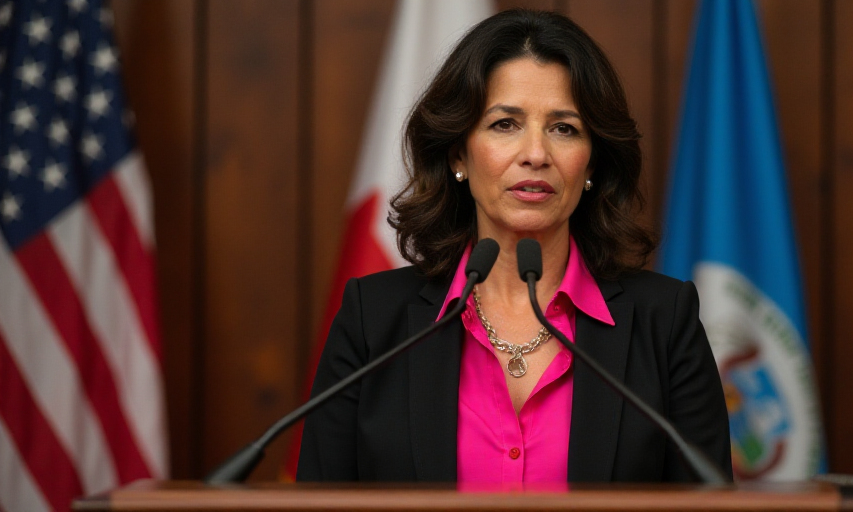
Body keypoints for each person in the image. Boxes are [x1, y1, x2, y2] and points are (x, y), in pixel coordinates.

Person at [297, 8, 731, 483]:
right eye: (505, 124)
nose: (536, 154)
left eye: (564, 128)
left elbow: (706, 500)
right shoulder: (373, 320)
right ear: (458, 153)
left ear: (591, 164)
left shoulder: (664, 323)